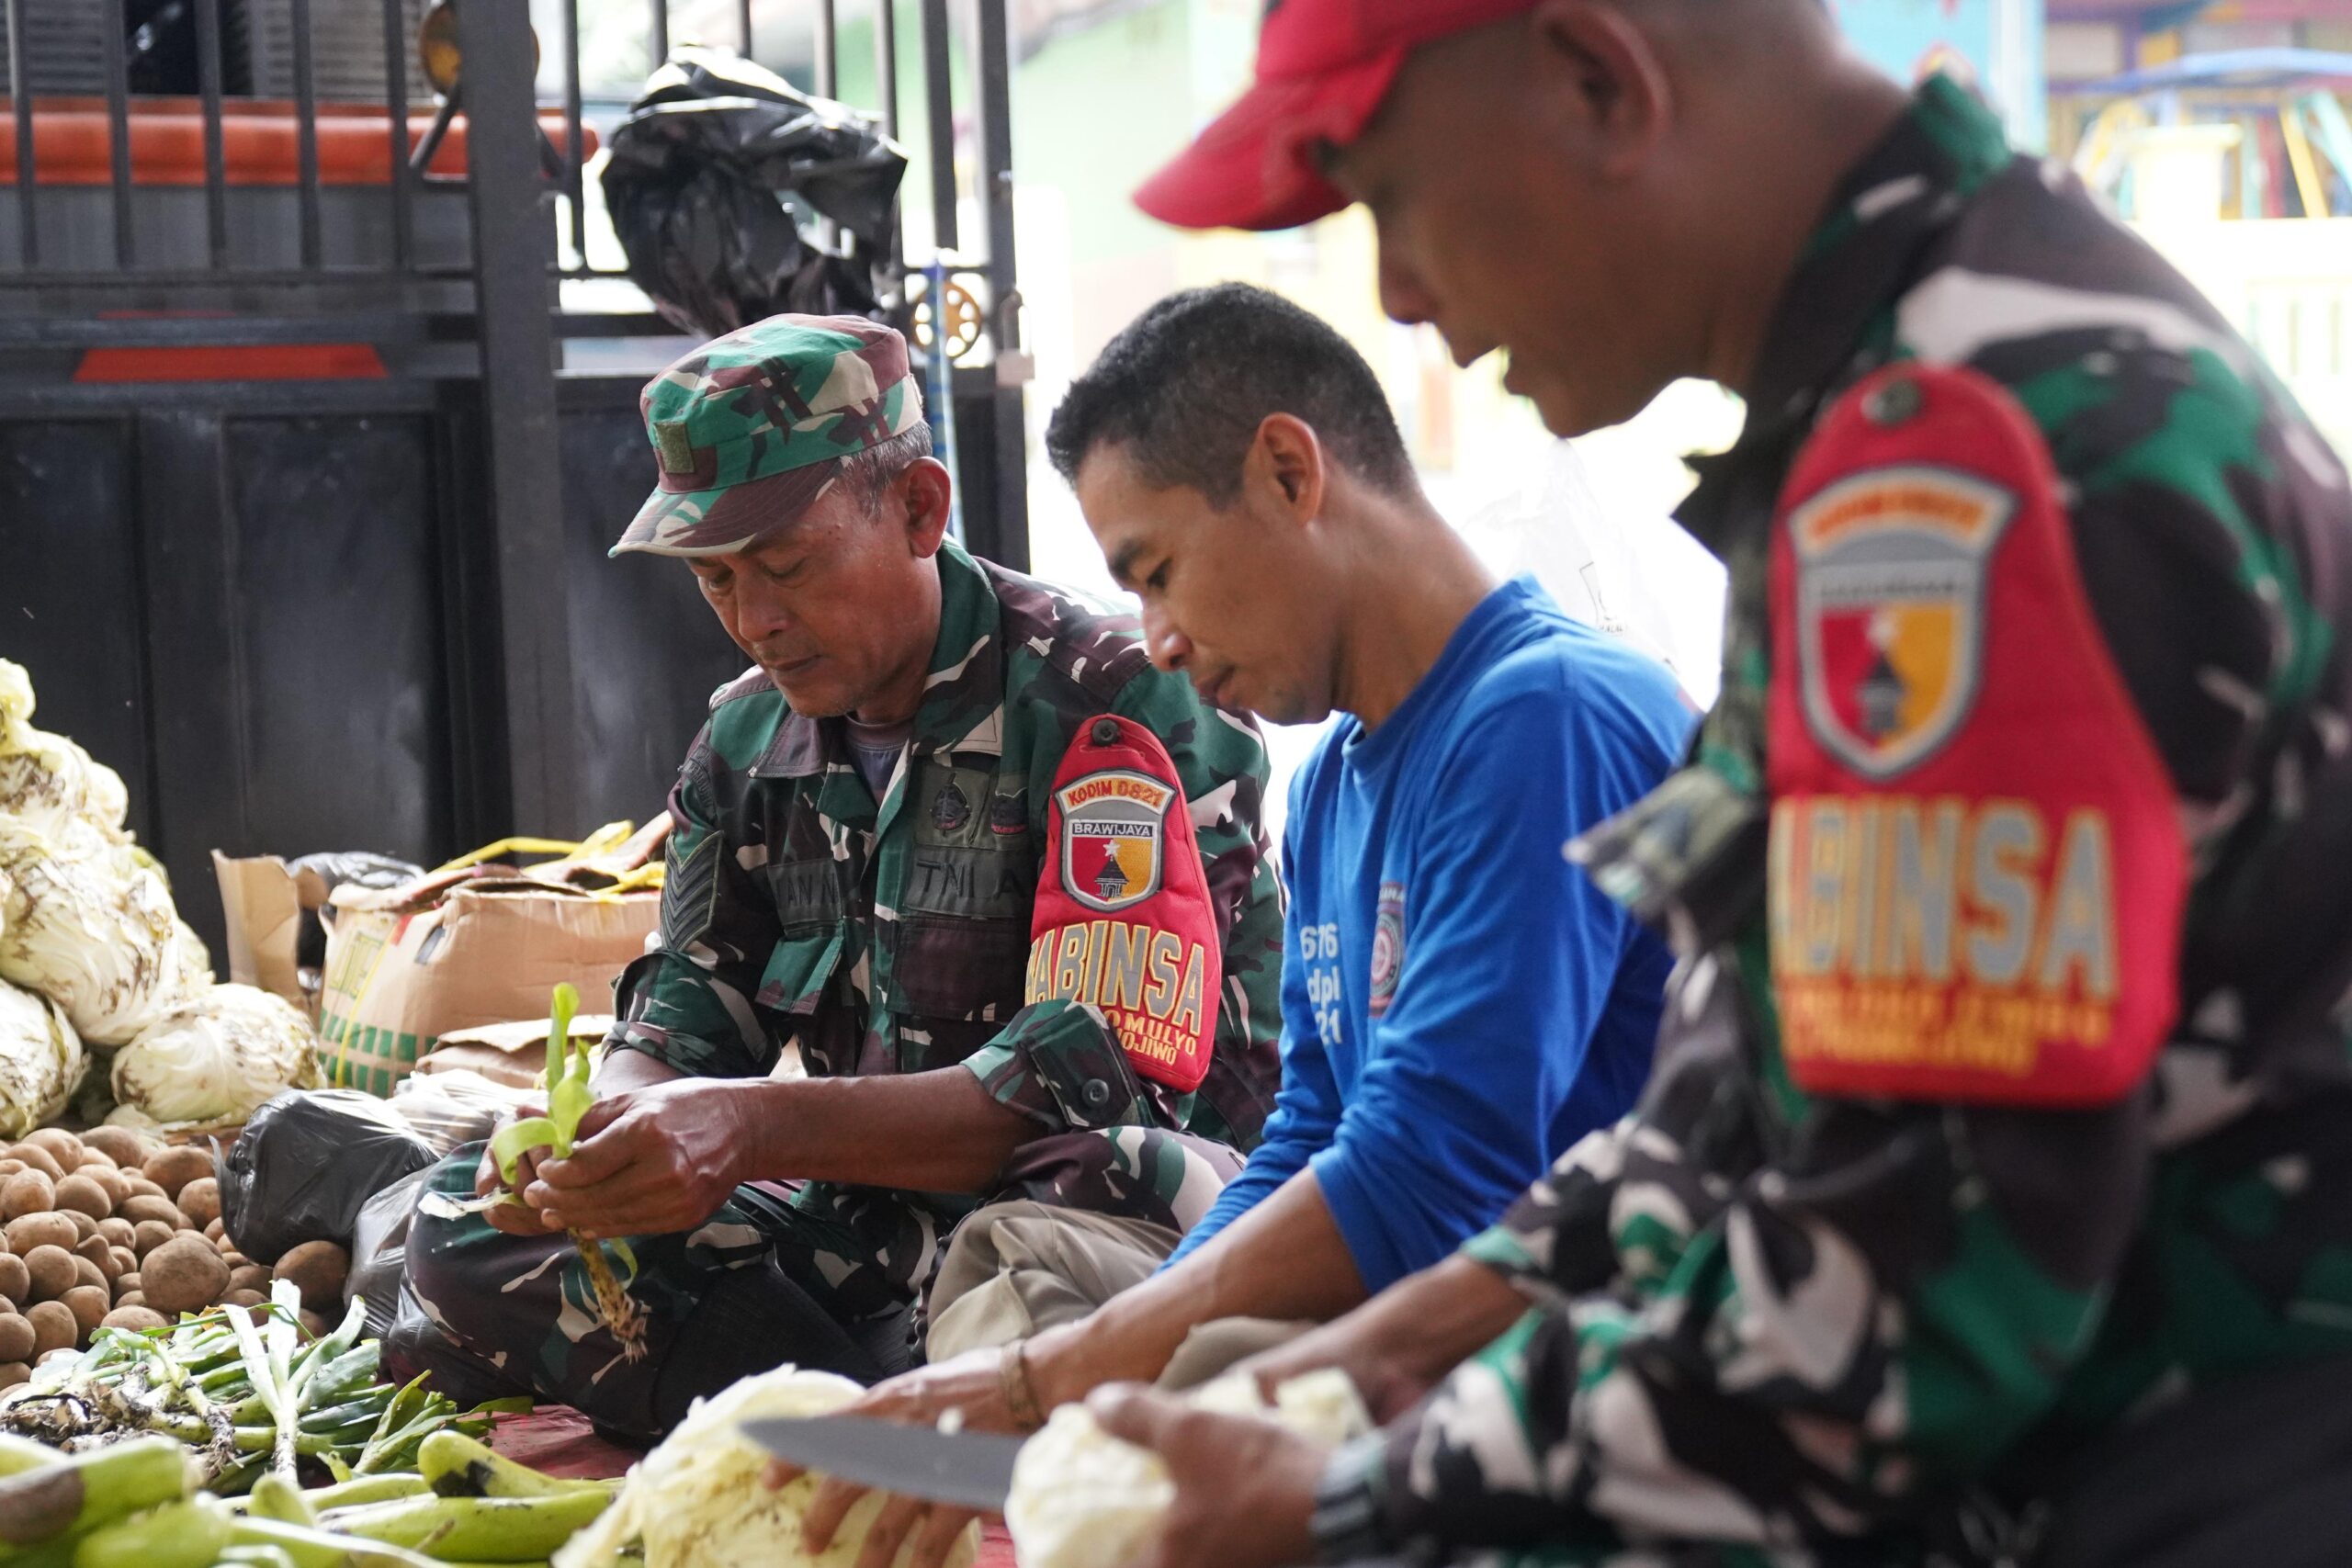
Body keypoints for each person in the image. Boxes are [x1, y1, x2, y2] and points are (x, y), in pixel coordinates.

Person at [1068, 4, 2352, 1566]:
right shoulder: (1915, 389)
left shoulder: (1961, 456)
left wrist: (1344, 1498)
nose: (1400, 294)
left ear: (1599, 79)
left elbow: (1886, 1295)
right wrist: (1377, 1348)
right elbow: (1763, 1096)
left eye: (1392, 196)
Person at [779, 283, 1694, 1568]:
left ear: (1285, 470)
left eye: (1157, 569)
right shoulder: (1330, 783)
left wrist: (1069, 1376)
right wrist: (1114, 1353)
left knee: (1185, 1374)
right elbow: (1313, 1126)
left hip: (1573, 1337)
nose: (1159, 635)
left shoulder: (1547, 714)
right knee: (1033, 1266)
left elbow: (1437, 1166)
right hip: (1404, 1300)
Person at [392, 314, 1287, 1442]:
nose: (756, 621)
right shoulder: (743, 742)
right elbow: (687, 1009)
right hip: (864, 1239)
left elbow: (1086, 1083)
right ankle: (890, 1423)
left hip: (1107, 1226)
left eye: (787, 566)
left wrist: (750, 1130)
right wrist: (611, 1142)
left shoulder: (1113, 704)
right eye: (714, 580)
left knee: (1108, 1173)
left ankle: (871, 1413)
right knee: (458, 1214)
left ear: (918, 507)